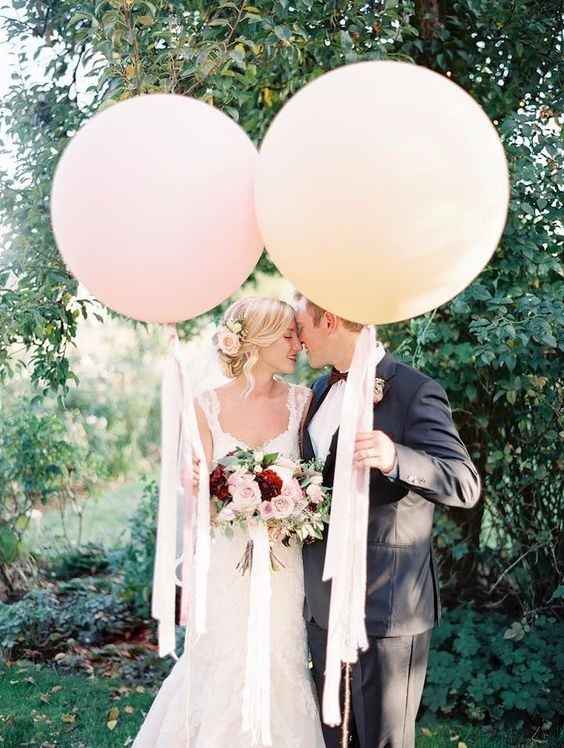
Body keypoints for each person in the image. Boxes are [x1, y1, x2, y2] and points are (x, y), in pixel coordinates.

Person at [133, 296, 325, 747]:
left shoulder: (303, 403)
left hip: (283, 558)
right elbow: (197, 497)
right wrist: (197, 486)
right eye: (287, 335)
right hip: (225, 559)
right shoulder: (205, 406)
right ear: (255, 341)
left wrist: (294, 503)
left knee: (281, 657)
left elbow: (315, 475)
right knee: (220, 655)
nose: (297, 343)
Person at [294, 293, 481, 748]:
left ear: (330, 319)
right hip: (322, 602)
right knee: (333, 737)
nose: (297, 339)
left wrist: (396, 456)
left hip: (388, 605)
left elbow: (464, 483)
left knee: (383, 741)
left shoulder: (415, 390)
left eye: (301, 325)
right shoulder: (318, 391)